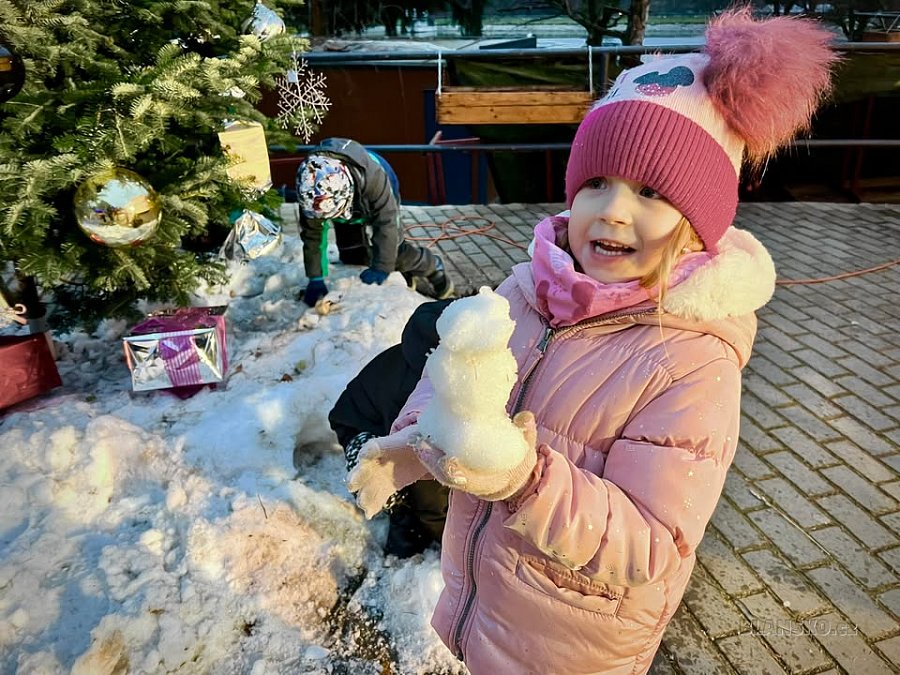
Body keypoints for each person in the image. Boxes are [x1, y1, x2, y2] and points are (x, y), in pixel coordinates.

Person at [345, 9, 836, 673]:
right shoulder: (527, 290)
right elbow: (454, 382)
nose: (612, 209)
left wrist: (522, 478)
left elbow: (652, 542)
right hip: (488, 605)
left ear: (699, 226)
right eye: (596, 183)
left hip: (571, 643)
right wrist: (410, 444)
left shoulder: (691, 362)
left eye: (650, 191)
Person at [329, 299, 453, 558]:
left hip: (380, 419)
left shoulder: (421, 356)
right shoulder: (418, 395)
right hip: (360, 429)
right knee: (384, 477)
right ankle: (401, 518)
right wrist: (449, 537)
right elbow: (427, 491)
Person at [296, 138, 454, 307]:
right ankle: (404, 274)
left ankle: (433, 267)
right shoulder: (311, 192)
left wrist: (383, 266)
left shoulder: (374, 180)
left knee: (395, 253)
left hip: (379, 188)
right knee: (352, 255)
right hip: (342, 200)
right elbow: (312, 235)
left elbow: (387, 224)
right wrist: (315, 277)